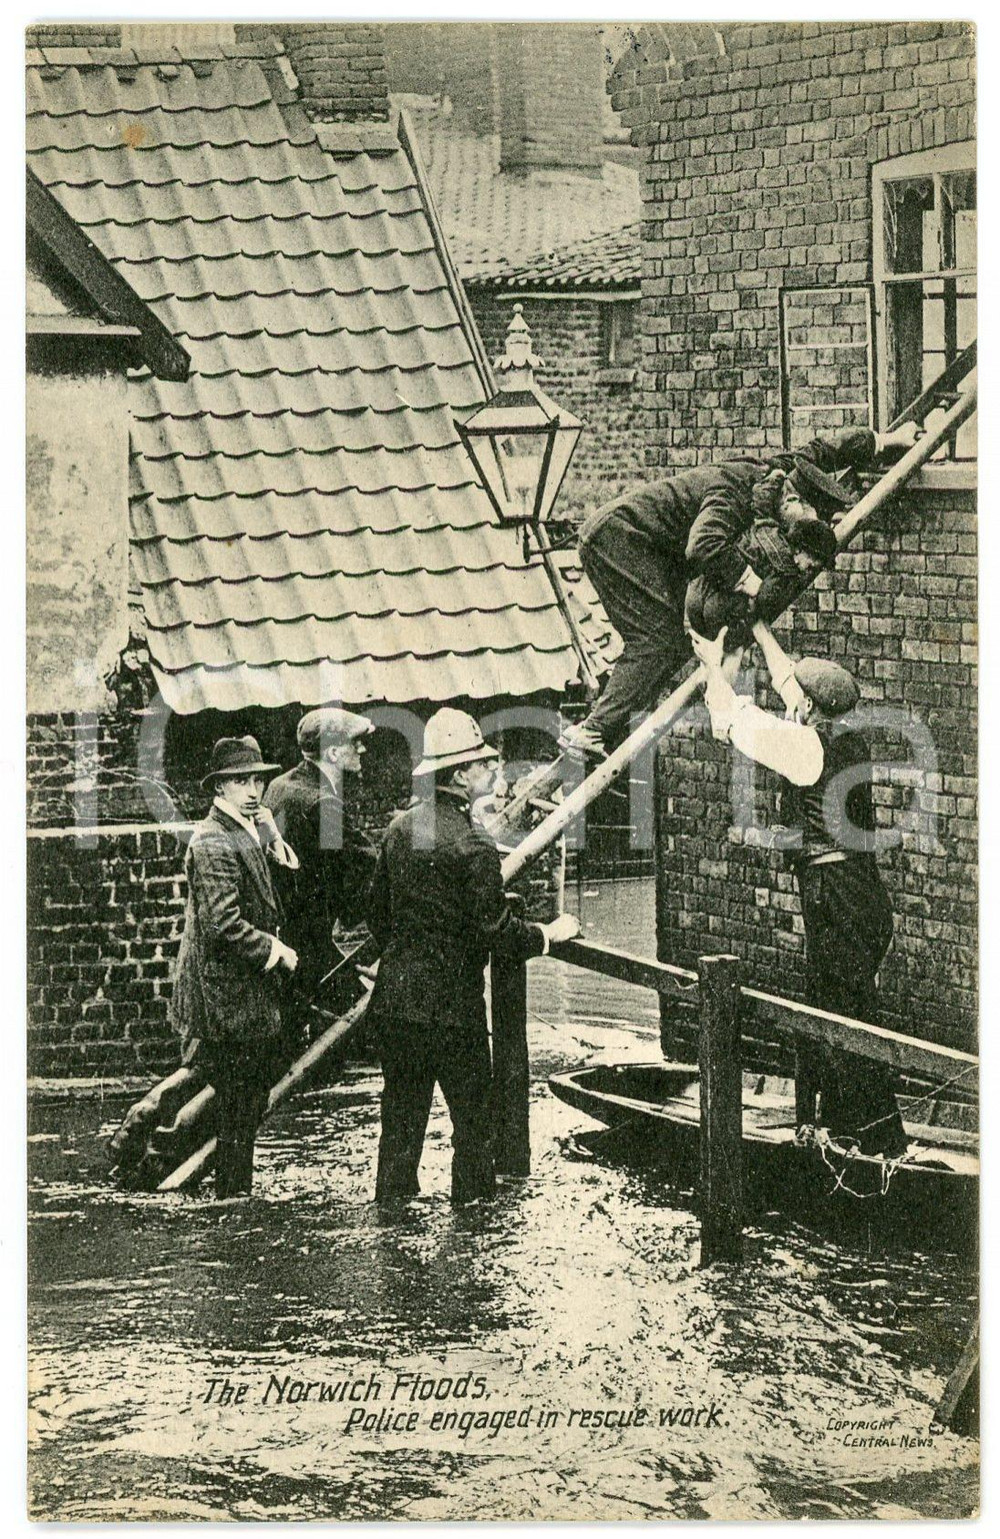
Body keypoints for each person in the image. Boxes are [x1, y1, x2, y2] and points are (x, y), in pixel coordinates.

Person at [560, 422, 919, 757]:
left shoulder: (787, 472)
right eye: (810, 518)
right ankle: (593, 731)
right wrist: (755, 585)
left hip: (652, 547)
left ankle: (608, 721)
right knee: (659, 640)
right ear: (791, 501)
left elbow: (827, 447)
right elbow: (703, 546)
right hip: (620, 539)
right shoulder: (736, 493)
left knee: (677, 641)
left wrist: (888, 440)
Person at [689, 623, 907, 1158]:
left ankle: (870, 1144)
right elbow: (790, 684)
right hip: (863, 894)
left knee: (841, 1017)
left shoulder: (805, 748)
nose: (794, 702)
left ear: (809, 709)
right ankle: (846, 1131)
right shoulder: (845, 736)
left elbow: (736, 723)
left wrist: (714, 668)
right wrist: (761, 630)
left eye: (799, 700)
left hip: (834, 896)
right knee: (844, 1009)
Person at [365, 708, 580, 1205]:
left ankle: (392, 1228)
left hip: (396, 1006)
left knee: (400, 1126)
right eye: (483, 763)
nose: (492, 770)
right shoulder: (474, 843)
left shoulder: (399, 829)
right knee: (474, 1129)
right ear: (460, 775)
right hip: (452, 1013)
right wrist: (548, 934)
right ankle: (473, 1234)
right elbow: (498, 931)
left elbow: (376, 913)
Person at [169, 736, 300, 1199]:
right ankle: (232, 1206)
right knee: (238, 1110)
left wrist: (271, 837)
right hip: (224, 999)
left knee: (245, 1106)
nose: (252, 790)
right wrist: (275, 951)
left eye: (257, 780)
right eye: (240, 781)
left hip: (243, 995)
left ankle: (234, 1200)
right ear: (218, 787)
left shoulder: (243, 829)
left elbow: (275, 894)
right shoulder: (212, 841)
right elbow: (224, 924)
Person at [263, 707, 377, 1036]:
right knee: (363, 1028)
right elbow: (359, 868)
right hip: (308, 945)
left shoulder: (279, 786)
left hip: (285, 931)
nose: (362, 749)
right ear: (333, 751)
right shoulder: (322, 803)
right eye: (356, 743)